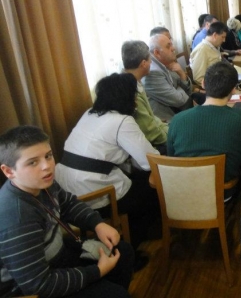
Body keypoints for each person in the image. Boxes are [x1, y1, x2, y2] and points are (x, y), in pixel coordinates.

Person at [0, 126, 134, 298]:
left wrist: (97, 223)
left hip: (57, 255)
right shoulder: (17, 218)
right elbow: (39, 286)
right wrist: (98, 271)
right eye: (33, 162)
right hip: (33, 286)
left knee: (122, 252)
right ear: (9, 171)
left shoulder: (41, 184)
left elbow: (67, 203)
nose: (47, 166)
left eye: (48, 156)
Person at [55, 73, 160, 255]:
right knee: (152, 190)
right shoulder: (122, 121)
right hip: (94, 191)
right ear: (127, 97)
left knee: (138, 180)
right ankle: (128, 249)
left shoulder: (89, 114)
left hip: (65, 189)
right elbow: (150, 161)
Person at [167, 62, 241, 196]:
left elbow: (171, 157)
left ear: (203, 84)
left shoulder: (177, 120)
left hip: (184, 193)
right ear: (234, 89)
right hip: (225, 192)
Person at [121, 40, 168, 150]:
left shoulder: (132, 81)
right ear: (144, 64)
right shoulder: (131, 91)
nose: (151, 63)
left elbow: (151, 119)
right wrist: (172, 137)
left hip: (155, 133)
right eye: (150, 59)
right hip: (149, 145)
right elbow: (150, 132)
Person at [143, 33, 193, 122]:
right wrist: (179, 88)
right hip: (169, 121)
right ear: (157, 53)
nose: (173, 48)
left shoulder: (167, 63)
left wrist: (181, 73)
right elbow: (179, 100)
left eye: (171, 44)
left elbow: (189, 89)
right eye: (168, 46)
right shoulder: (153, 72)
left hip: (181, 111)